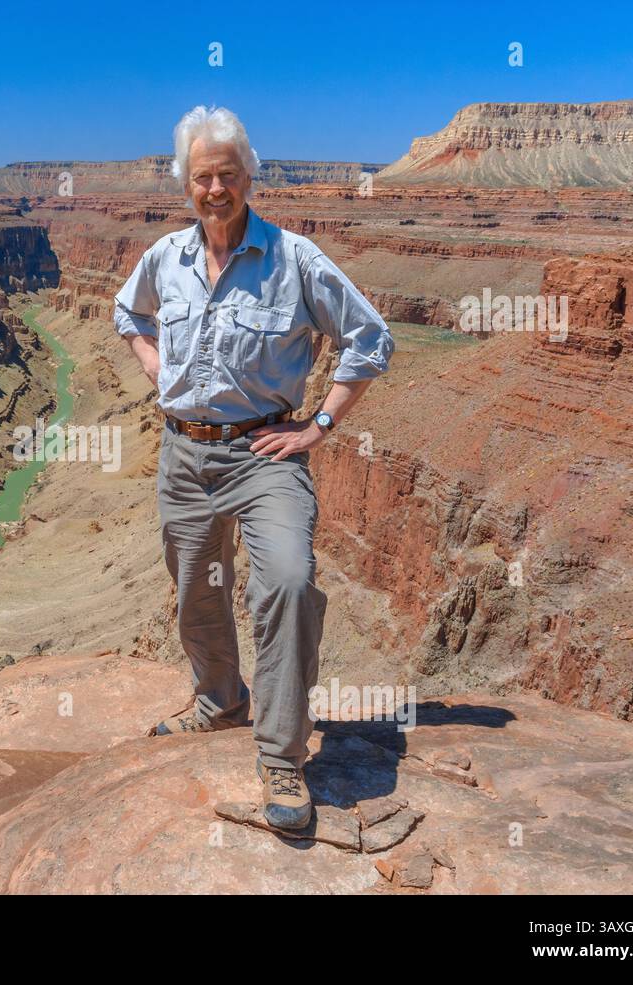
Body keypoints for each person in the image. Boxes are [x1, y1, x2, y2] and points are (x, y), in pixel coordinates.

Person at [113, 106, 395, 829]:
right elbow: (128, 314)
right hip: (183, 450)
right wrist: (159, 373)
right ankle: (219, 700)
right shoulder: (166, 258)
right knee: (194, 590)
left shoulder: (294, 258)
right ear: (185, 182)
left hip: (265, 452)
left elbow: (370, 337)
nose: (215, 188)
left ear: (249, 178)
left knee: (291, 582)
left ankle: (280, 754)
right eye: (202, 176)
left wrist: (320, 424)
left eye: (227, 175)